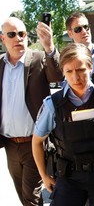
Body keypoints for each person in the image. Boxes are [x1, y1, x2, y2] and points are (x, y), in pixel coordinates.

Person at [32, 43, 94, 206]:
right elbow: (37, 141)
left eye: (81, 69)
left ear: (90, 67)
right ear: (63, 72)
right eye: (69, 71)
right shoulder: (53, 105)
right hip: (69, 178)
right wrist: (44, 176)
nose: (76, 77)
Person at [0, 17, 63, 205]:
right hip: (10, 144)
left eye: (22, 33)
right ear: (3, 38)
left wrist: (49, 46)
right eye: (12, 34)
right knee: (22, 193)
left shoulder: (38, 58)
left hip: (34, 143)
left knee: (32, 197)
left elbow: (57, 75)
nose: (18, 38)